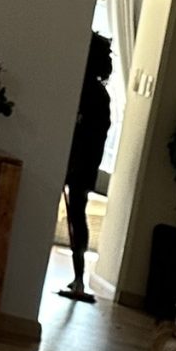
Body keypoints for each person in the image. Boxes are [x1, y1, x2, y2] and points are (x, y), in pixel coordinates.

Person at [60, 31, 114, 302]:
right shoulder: (97, 94)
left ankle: (79, 277)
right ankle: (78, 277)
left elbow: (92, 136)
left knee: (76, 216)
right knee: (77, 215)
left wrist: (74, 164)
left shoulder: (88, 93)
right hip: (81, 163)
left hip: (78, 163)